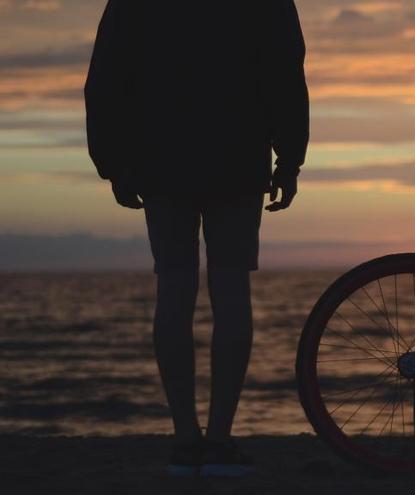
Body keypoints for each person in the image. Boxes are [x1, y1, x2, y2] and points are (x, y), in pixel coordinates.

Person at [84, 0, 308, 477]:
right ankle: (220, 440)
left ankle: (186, 440)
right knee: (229, 293)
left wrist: (115, 164)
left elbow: (104, 79)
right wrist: (289, 157)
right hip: (236, 158)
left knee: (175, 290)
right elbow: (285, 73)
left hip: (161, 161)